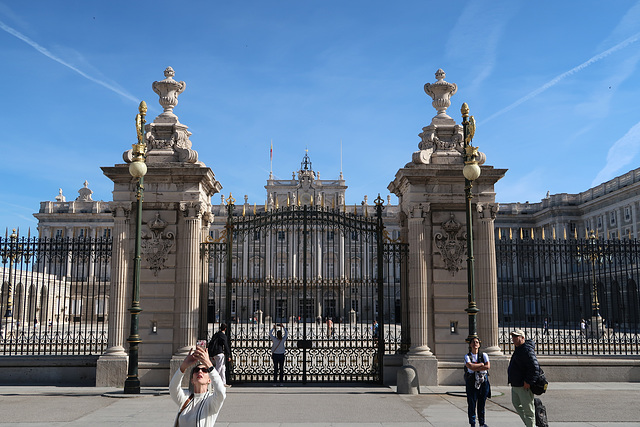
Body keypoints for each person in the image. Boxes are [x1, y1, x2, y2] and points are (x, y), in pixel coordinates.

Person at [170, 344, 226, 426]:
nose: (200, 372)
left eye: (204, 370)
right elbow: (173, 388)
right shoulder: (185, 400)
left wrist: (208, 364)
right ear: (192, 380)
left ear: (209, 380)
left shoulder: (211, 402)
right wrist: (183, 366)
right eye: (196, 370)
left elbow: (221, 392)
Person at [508, 329, 541, 427]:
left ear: (522, 338)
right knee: (517, 404)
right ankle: (530, 424)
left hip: (523, 385)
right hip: (516, 384)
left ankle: (531, 425)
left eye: (516, 336)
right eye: (513, 336)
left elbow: (535, 367)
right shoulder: (519, 348)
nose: (513, 338)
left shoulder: (526, 349)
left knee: (528, 410)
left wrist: (528, 381)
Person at [464, 337, 490, 427]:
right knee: (471, 403)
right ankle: (472, 423)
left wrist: (475, 367)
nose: (475, 344)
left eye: (477, 342)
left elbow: (487, 367)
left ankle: (482, 423)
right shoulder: (467, 356)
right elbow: (470, 366)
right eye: (473, 342)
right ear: (470, 345)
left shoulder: (484, 355)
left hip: (483, 382)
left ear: (479, 344)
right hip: (471, 382)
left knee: (481, 404)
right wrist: (481, 365)